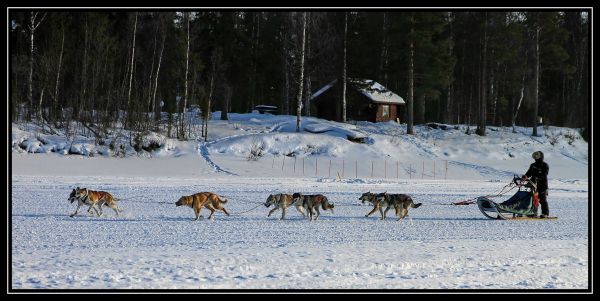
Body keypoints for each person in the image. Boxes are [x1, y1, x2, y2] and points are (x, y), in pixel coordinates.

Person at [522, 151, 550, 218]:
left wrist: (537, 177)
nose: (535, 157)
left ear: (540, 156)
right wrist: (525, 176)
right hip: (533, 184)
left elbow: (544, 174)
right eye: (534, 156)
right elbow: (529, 173)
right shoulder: (533, 165)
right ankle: (533, 213)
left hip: (542, 185)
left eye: (536, 156)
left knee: (542, 199)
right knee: (533, 199)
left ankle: (545, 213)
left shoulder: (545, 165)